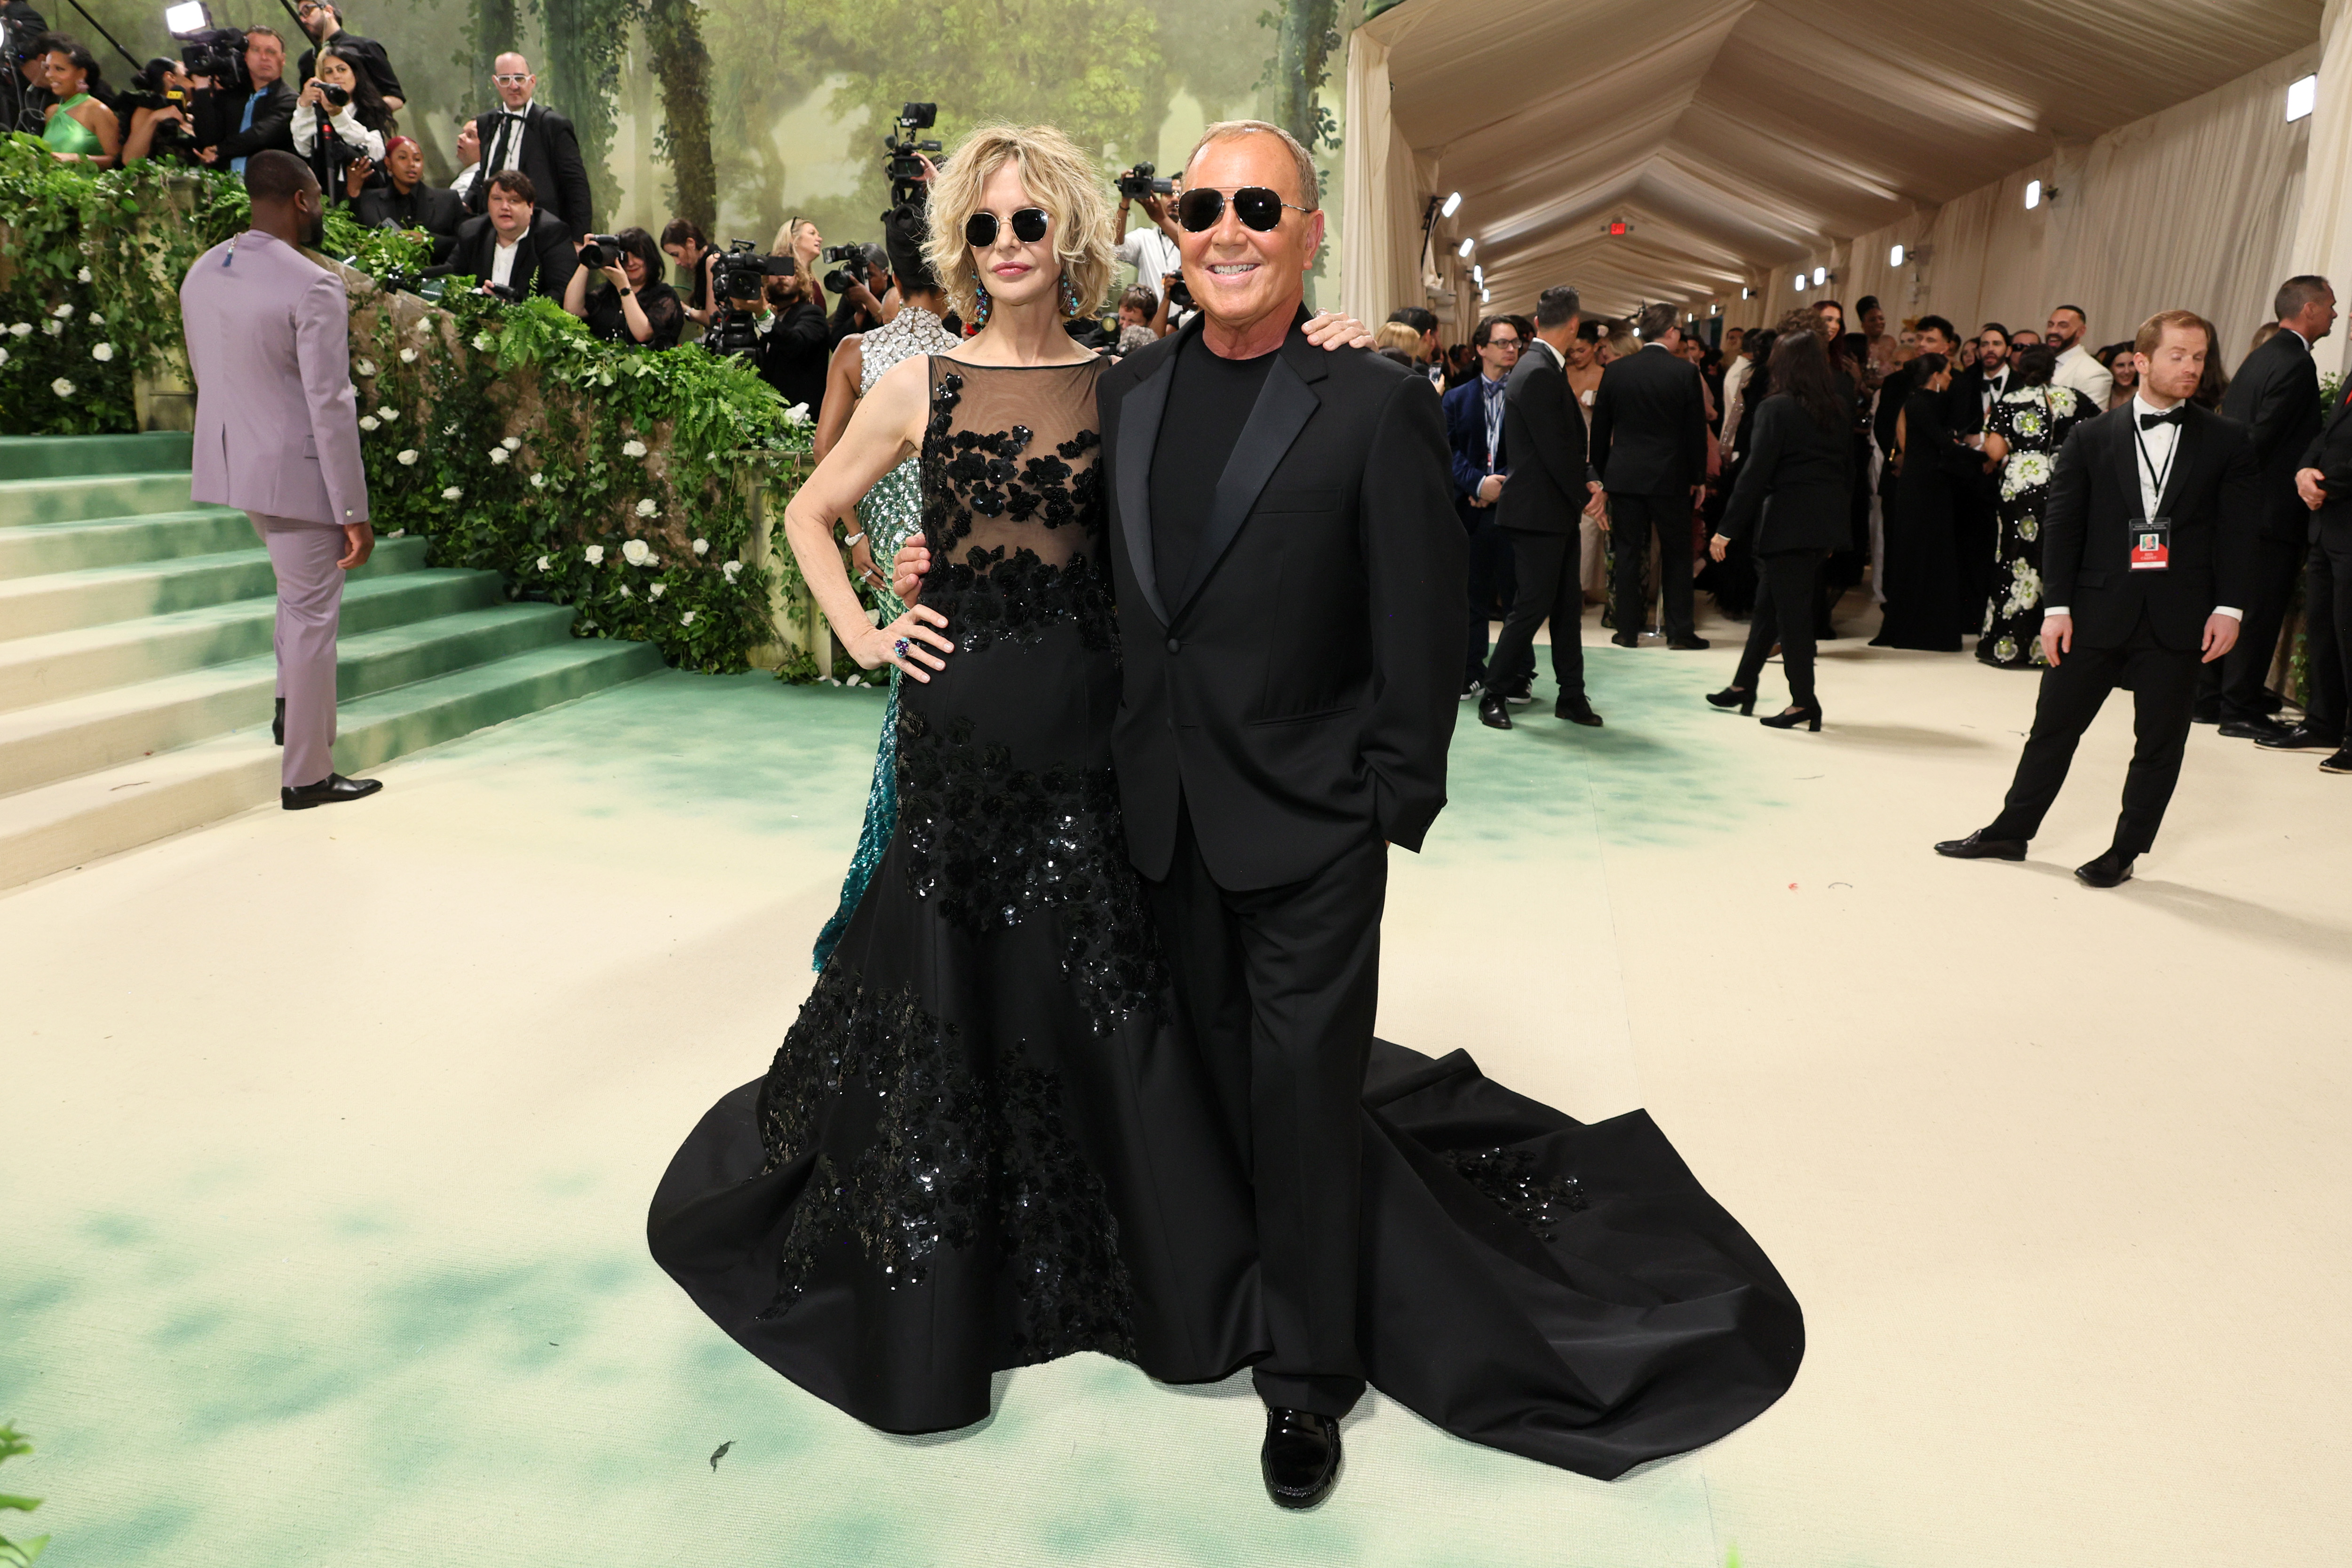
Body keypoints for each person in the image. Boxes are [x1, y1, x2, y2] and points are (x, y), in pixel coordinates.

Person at [866, 121, 1800, 1505]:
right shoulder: (1120, 391)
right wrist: (930, 557)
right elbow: (1073, 570)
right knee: (1191, 1080)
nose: (1227, 228)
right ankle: (1199, 1292)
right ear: (1171, 231)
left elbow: (1423, 628)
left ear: (1306, 231)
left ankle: (1304, 1380)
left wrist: (1380, 805)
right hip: (1152, 820)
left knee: (1302, 1100)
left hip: (1311, 826)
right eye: (1203, 206)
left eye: (1259, 205)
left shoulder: (1371, 402)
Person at [1939, 309, 2255, 886]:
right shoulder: (2090, 436)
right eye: (2177, 356)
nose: (2190, 368)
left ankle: (2124, 851)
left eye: (2199, 357)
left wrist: (2229, 607)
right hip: (2092, 610)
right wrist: (2055, 608)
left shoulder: (2226, 439)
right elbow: (2063, 526)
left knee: (2158, 745)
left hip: (2179, 614)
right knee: (2051, 730)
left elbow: (2238, 532)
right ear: (2141, 362)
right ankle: (2011, 831)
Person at [180, 150, 381, 811]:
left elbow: (209, 373)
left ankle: (286, 709)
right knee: (312, 612)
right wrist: (353, 507)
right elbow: (331, 402)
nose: (320, 207)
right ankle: (308, 776)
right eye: (318, 197)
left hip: (233, 459)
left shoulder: (204, 269)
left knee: (295, 598)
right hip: (296, 472)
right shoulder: (312, 283)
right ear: (301, 200)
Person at [802, 199, 963, 972]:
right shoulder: (972, 348)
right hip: (945, 538)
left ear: (888, 274)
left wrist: (862, 535)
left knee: (918, 702)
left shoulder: (857, 351)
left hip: (894, 536)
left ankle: (895, 898)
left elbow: (825, 456)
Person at [2194, 276, 2335, 740]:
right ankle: (2238, 707)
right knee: (2256, 612)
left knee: (2232, 605)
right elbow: (2261, 438)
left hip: (2245, 508)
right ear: (2310, 309)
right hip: (2269, 511)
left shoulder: (2262, 354)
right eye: (2331, 306)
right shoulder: (2294, 362)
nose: (2335, 315)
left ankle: (2212, 698)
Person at [1706, 328, 1853, 730]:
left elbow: (1755, 474)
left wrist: (1726, 529)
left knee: (1791, 618)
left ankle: (1804, 701)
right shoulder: (1837, 406)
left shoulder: (1777, 408)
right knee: (1770, 609)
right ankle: (1742, 685)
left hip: (1787, 522)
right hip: (1820, 523)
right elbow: (1846, 472)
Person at [1477, 287, 1605, 729]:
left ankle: (1572, 695)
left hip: (1550, 511)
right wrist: (1590, 499)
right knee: (1531, 608)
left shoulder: (1539, 367)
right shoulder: (1538, 372)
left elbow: (1565, 446)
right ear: (1574, 325)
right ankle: (1494, 692)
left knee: (1566, 609)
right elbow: (1555, 452)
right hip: (1537, 514)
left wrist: (1587, 481)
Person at [1591, 301, 1711, 649]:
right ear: (1672, 332)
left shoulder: (1617, 371)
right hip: (1670, 476)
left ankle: (1627, 629)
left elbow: (1601, 428)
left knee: (1629, 552)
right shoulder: (1684, 373)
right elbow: (1695, 431)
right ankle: (1679, 631)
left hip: (1624, 474)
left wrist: (1598, 473)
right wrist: (1698, 476)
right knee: (1677, 554)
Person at [1973, 344, 2095, 668]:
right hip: (2061, 483)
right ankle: (2048, 647)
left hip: (2021, 486)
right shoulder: (2072, 399)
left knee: (2014, 560)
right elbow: (2098, 434)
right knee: (2053, 560)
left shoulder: (2009, 402)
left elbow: (1995, 452)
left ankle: (2007, 644)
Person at [1443, 311, 1525, 702]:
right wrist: (1476, 483)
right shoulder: (1457, 397)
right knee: (1471, 598)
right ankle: (1470, 670)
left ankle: (1517, 674)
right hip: (1470, 511)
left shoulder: (1527, 393)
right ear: (1480, 349)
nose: (1511, 349)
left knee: (1516, 598)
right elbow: (1447, 449)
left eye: (1515, 343)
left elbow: (1533, 450)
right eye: (1503, 343)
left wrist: (1500, 486)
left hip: (1514, 510)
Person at [2288, 379, 2352, 771]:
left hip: (2344, 515)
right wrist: (2304, 472)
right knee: (2324, 630)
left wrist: (2325, 485)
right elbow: (2326, 437)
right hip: (2329, 527)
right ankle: (2324, 722)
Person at [464, 55, 592, 236]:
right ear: (496, 82)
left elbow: (576, 185)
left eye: (519, 78)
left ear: (532, 81)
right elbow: (486, 170)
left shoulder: (552, 125)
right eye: (505, 79)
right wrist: (467, 201)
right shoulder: (487, 122)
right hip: (492, 230)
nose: (514, 86)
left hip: (540, 231)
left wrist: (579, 238)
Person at [449, 168, 576, 300]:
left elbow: (561, 291)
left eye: (514, 201)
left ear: (530, 207)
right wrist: (478, 295)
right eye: (497, 199)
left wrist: (515, 310)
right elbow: (452, 277)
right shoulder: (473, 231)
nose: (504, 207)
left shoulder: (552, 234)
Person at [289, 44, 391, 206]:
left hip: (368, 199)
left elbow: (376, 151)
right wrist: (304, 106)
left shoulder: (371, 108)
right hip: (325, 197)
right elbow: (303, 148)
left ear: (355, 74)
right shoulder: (317, 112)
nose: (336, 76)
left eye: (342, 70)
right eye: (329, 72)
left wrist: (338, 115)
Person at [562, 226, 683, 349]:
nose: (631, 263)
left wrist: (624, 288)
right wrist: (587, 259)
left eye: (637, 255)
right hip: (603, 365)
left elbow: (643, 334)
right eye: (624, 257)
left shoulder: (664, 295)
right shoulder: (606, 292)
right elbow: (572, 310)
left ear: (649, 257)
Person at [352, 135, 463, 261]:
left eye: (417, 159)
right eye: (403, 158)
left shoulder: (448, 200)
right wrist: (353, 191)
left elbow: (466, 244)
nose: (411, 164)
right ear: (388, 163)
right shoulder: (369, 200)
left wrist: (428, 240)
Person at [291, 0, 400, 113]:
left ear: (328, 10)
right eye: (300, 15)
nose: (303, 20)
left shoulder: (366, 48)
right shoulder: (307, 60)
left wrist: (358, 117)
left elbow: (396, 98)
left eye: (307, 11)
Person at [36, 35, 117, 167]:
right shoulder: (52, 112)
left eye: (59, 69)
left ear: (81, 74)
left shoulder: (98, 111)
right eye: (48, 68)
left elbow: (117, 161)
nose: (49, 75)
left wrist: (77, 159)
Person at [2046, 304, 2114, 407]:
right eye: (2050, 325)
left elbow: (2091, 421)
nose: (2053, 331)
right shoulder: (2039, 361)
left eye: (2063, 326)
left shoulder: (2095, 373)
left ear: (2081, 331)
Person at [659, 218, 715, 335]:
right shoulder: (702, 265)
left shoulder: (712, 261)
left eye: (676, 255)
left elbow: (712, 319)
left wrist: (685, 309)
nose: (677, 262)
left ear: (691, 243)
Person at [769, 215, 826, 318]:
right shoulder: (780, 279)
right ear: (793, 238)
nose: (820, 239)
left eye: (819, 235)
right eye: (812, 233)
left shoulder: (815, 283)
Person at [2100, 342, 2138, 410]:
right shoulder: (2102, 395)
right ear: (2110, 368)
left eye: (2132, 364)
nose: (2127, 371)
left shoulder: (2144, 395)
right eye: (2121, 365)